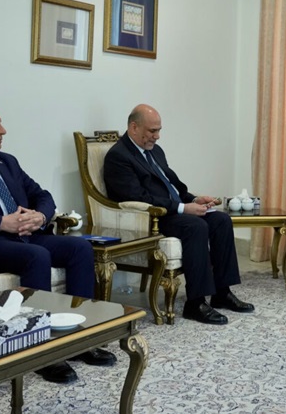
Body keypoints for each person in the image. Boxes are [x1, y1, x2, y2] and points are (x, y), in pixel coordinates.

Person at [0, 101, 114, 384]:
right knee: (36, 256)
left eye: (0, 124)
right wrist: (0, 223)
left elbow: (42, 195)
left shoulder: (7, 161)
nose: (2, 130)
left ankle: (79, 338)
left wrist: (41, 215)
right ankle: (39, 349)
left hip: (27, 235)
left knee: (80, 248)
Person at [103, 104, 254, 325]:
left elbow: (172, 186)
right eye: (152, 131)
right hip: (153, 218)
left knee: (221, 219)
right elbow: (138, 197)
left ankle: (222, 293)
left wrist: (193, 200)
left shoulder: (155, 151)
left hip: (174, 210)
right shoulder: (118, 157)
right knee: (196, 226)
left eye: (159, 130)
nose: (157, 136)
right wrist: (183, 208)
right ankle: (195, 303)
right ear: (134, 127)